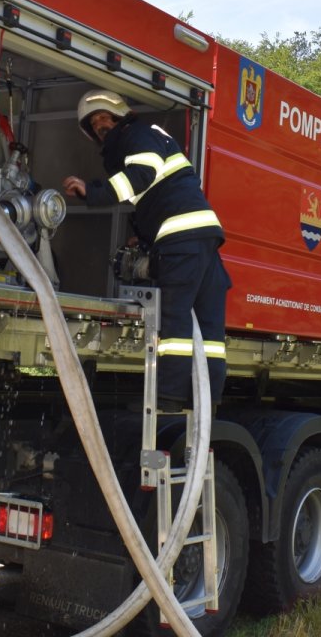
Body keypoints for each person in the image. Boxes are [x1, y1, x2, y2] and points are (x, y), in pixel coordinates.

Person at [63, 89, 230, 412]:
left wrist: (93, 191)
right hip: (202, 235)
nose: (100, 126)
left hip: (182, 237)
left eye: (103, 118)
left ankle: (170, 397)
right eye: (93, 124)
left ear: (120, 116)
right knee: (209, 328)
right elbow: (158, 195)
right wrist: (143, 239)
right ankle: (207, 399)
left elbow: (142, 175)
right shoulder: (145, 138)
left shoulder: (136, 134)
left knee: (175, 320)